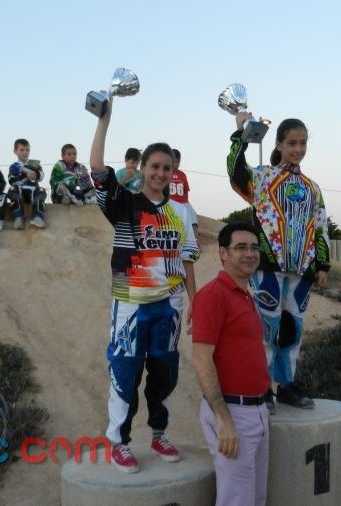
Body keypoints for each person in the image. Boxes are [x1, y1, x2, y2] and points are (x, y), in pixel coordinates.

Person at [89, 99, 199, 473]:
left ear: (173, 172)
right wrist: (104, 121)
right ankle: (118, 441)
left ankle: (159, 434)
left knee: (165, 372)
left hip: (170, 305)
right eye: (155, 166)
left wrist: (195, 302)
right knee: (125, 370)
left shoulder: (181, 211)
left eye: (167, 168)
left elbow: (187, 260)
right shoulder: (125, 204)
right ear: (144, 167)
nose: (160, 173)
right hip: (130, 301)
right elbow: (97, 169)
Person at [227, 114, 331, 413]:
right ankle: (262, 386)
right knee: (266, 328)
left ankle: (286, 385)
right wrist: (240, 135)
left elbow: (320, 226)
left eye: (302, 143)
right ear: (279, 144)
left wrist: (322, 265)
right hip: (268, 267)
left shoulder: (313, 188)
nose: (298, 149)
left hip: (302, 269)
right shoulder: (263, 177)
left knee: (292, 329)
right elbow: (235, 173)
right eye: (292, 143)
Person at [192, 221, 270, 506]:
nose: (250, 254)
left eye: (254, 248)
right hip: (233, 413)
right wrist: (223, 419)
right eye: (241, 248)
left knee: (255, 498)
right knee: (236, 500)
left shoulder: (245, 295)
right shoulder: (213, 296)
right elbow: (201, 358)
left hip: (257, 411)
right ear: (223, 253)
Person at [7, 138, 47, 229]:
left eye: (27, 150)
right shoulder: (14, 166)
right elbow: (12, 181)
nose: (25, 152)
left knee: (42, 190)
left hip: (33, 190)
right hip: (20, 191)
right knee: (12, 190)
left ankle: (37, 217)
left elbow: (41, 176)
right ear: (15, 151)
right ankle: (18, 217)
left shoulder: (35, 164)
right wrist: (25, 175)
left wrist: (36, 174)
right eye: (22, 150)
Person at [170, 148, 200, 241]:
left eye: (178, 162)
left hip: (183, 201)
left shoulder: (182, 175)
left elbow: (186, 190)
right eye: (174, 162)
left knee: (193, 217)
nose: (176, 164)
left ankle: (195, 240)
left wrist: (186, 202)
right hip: (170, 201)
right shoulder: (166, 173)